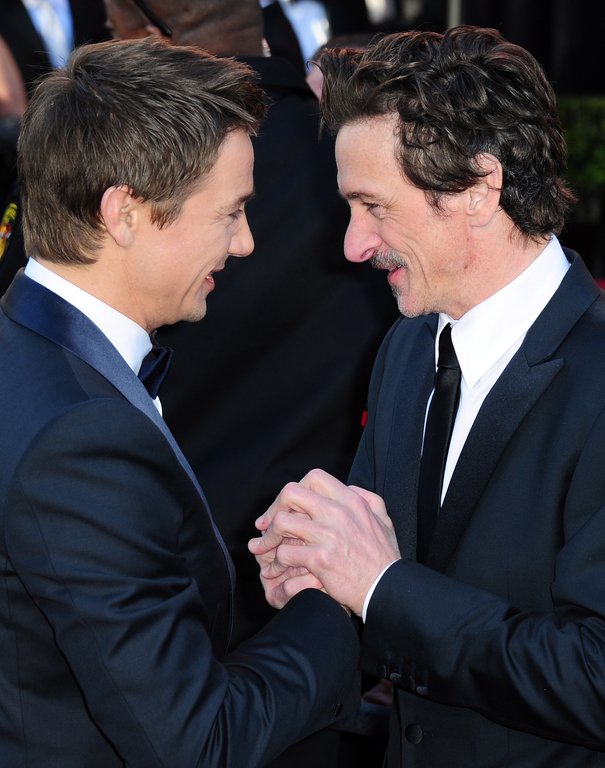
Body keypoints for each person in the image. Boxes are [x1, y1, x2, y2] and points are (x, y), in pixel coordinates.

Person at [0, 36, 360, 768]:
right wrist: (345, 599)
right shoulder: (79, 439)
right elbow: (197, 741)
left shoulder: (29, 351)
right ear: (124, 213)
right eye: (230, 212)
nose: (246, 243)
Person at [250, 25, 605, 767]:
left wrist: (378, 587)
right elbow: (383, 592)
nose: (352, 244)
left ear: (478, 188)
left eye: (373, 206)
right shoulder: (408, 347)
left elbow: (593, 677)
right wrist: (319, 576)